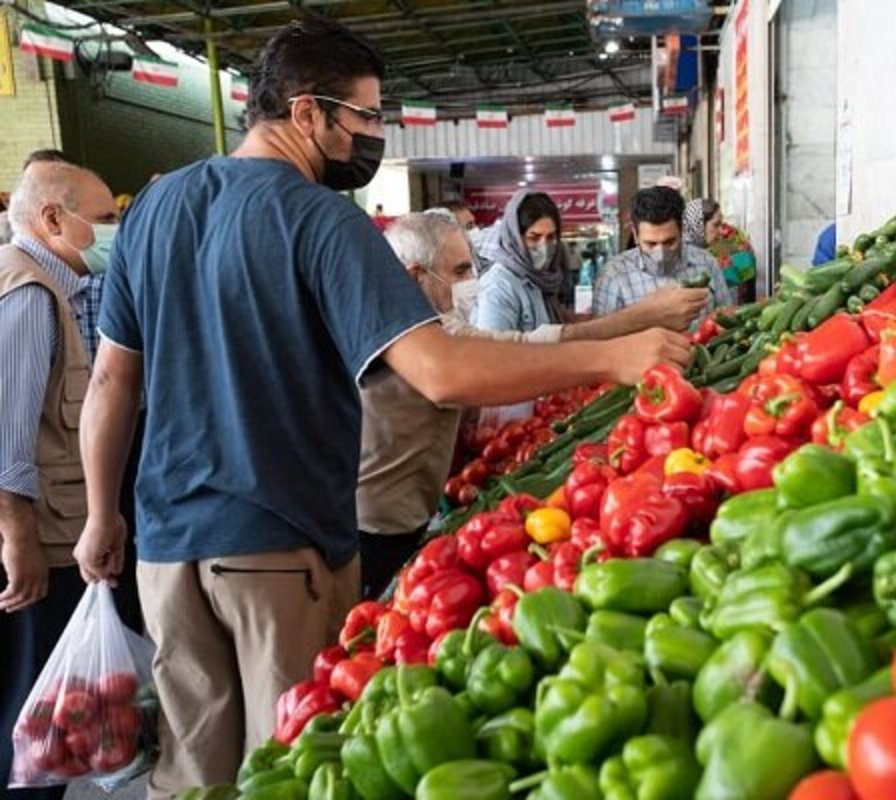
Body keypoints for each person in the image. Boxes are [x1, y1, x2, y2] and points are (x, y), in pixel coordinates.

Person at [71, 17, 689, 797]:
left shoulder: (155, 211)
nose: (371, 137)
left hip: (165, 548)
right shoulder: (320, 219)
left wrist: (103, 515)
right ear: (307, 113)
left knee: (189, 772)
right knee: (289, 766)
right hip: (276, 542)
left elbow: (112, 383)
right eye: (363, 117)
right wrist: (612, 354)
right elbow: (437, 370)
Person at [356, 214, 709, 596]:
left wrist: (634, 325)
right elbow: (463, 374)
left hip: (409, 513)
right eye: (459, 271)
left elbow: (524, 345)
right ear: (415, 277)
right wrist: (615, 351)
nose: (470, 281)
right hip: (370, 525)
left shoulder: (440, 324)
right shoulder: (396, 333)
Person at [0, 159, 119, 798]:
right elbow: (5, 432)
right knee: (35, 718)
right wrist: (18, 539)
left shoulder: (47, 287)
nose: (112, 232)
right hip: (35, 540)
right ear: (53, 220)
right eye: (103, 220)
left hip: (44, 528)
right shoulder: (27, 294)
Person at [594, 186, 733, 318]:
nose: (660, 252)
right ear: (636, 236)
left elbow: (726, 316)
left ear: (682, 231)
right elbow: (601, 338)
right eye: (651, 243)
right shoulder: (614, 275)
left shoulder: (706, 262)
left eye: (669, 242)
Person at [474, 190, 569, 333]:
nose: (543, 247)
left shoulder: (541, 281)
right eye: (534, 237)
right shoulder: (499, 287)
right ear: (515, 238)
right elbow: (493, 352)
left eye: (550, 237)